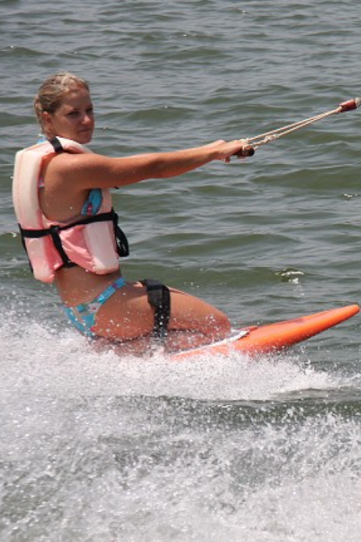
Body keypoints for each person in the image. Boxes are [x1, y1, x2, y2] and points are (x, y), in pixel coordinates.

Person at [12, 72, 247, 353]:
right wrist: (213, 152)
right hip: (107, 304)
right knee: (216, 326)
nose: (87, 120)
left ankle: (123, 352)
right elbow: (153, 167)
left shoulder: (42, 162)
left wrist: (214, 148)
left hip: (88, 308)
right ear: (49, 119)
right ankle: (136, 354)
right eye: (73, 114)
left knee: (188, 319)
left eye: (90, 110)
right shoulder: (66, 167)